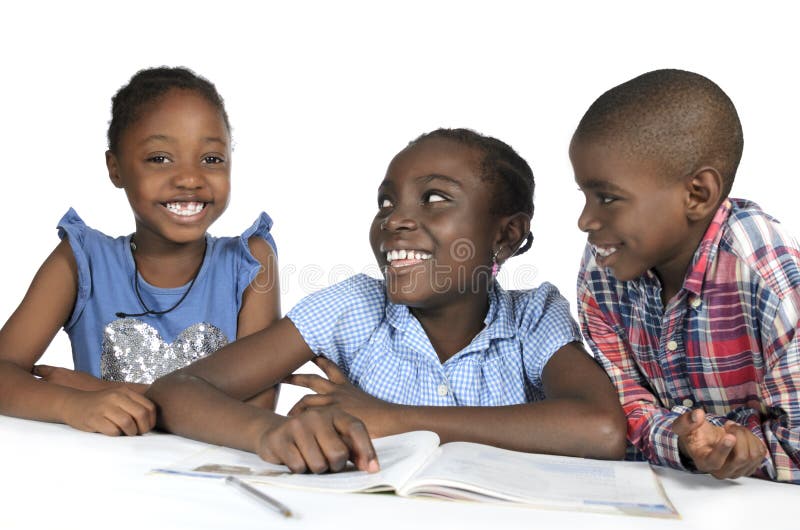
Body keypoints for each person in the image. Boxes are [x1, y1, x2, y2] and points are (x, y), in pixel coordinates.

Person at [147, 128, 626, 474]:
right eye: (386, 202)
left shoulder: (533, 318)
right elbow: (177, 390)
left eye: (435, 198)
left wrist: (395, 418)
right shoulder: (355, 306)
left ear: (506, 236)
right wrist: (267, 432)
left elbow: (601, 429)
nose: (395, 219)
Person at [0, 67, 280, 437]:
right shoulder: (82, 261)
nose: (190, 178)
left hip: (204, 478)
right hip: (107, 476)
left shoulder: (250, 263)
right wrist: (70, 404)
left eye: (211, 159)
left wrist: (90, 388)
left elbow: (254, 410)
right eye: (160, 158)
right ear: (115, 168)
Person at [572, 69, 800, 483]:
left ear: (697, 194)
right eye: (584, 196)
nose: (586, 220)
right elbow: (628, 406)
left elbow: (797, 445)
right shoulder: (600, 273)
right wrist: (682, 443)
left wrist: (741, 451)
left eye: (607, 198)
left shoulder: (765, 271)